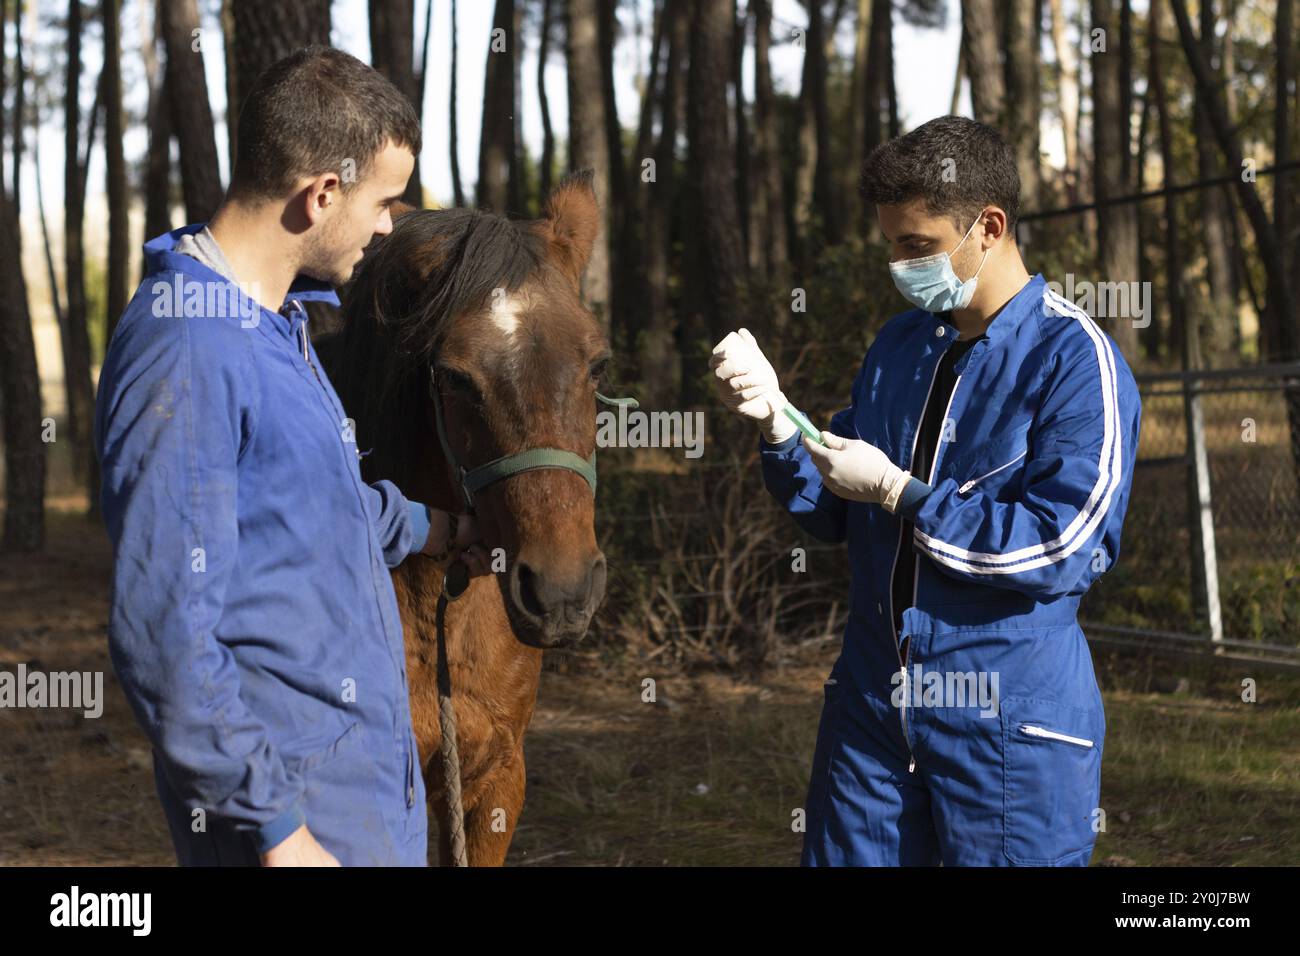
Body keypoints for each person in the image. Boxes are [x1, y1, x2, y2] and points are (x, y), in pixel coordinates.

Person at [711, 115, 1142, 866]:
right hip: (874, 709)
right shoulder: (900, 346)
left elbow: (1062, 545)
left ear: (989, 227)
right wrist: (781, 427)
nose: (900, 266)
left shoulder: (1077, 363)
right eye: (891, 245)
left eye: (917, 247)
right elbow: (832, 513)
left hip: (1007, 716)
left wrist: (903, 495)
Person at [94, 46, 488, 867]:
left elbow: (312, 505)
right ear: (322, 194)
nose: (388, 226)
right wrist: (276, 831)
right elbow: (162, 630)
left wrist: (433, 525)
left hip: (358, 798)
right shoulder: (188, 345)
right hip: (303, 822)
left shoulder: (274, 325)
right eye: (384, 203)